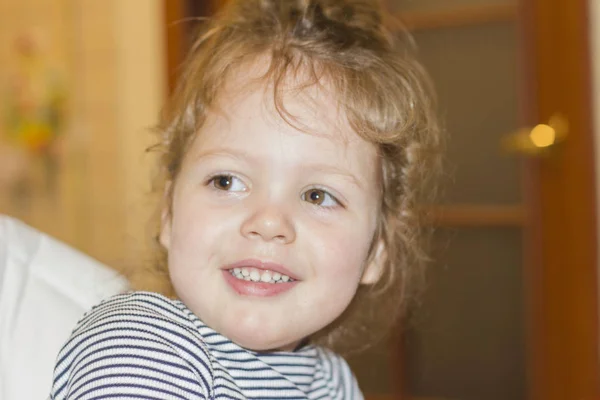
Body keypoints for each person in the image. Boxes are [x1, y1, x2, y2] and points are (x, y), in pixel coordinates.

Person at [49, 0, 441, 398]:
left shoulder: (332, 383)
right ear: (168, 212)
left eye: (317, 195)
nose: (268, 221)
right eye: (226, 182)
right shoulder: (142, 348)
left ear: (376, 249)